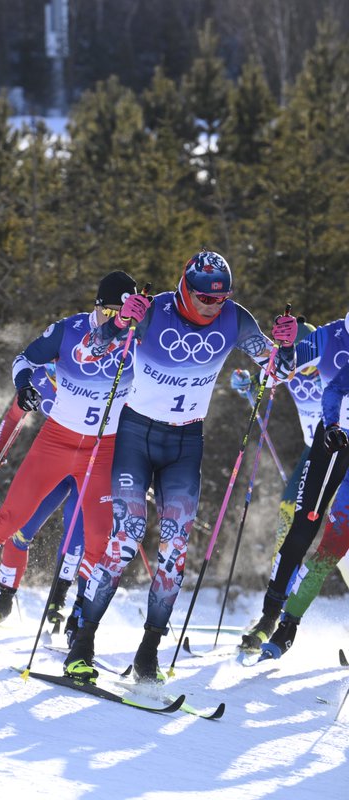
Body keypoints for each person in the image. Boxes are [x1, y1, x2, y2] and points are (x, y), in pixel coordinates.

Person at [64, 250, 297, 685]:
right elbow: (89, 353)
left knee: (174, 550)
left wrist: (286, 345)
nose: (213, 306)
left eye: (221, 298)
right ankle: (82, 641)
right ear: (185, 287)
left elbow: (276, 374)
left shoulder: (236, 319)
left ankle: (149, 650)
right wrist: (117, 324)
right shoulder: (153, 312)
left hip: (186, 442)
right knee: (127, 537)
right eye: (205, 298)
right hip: (136, 435)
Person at [0, 271, 139, 631]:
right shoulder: (66, 335)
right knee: (12, 522)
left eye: (123, 313)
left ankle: (76, 619)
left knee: (95, 541)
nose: (115, 320)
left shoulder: (138, 342)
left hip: (102, 454)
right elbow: (21, 372)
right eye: (108, 311)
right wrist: (13, 413)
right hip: (57, 445)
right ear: (96, 306)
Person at [239, 313, 349, 650]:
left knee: (339, 540)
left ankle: (289, 614)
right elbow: (277, 371)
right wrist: (283, 352)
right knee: (300, 521)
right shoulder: (328, 337)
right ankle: (272, 616)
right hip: (330, 442)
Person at [0, 362, 87, 635]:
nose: (58, 376)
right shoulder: (41, 378)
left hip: (90, 465)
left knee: (74, 533)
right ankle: (4, 602)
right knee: (19, 531)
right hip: (56, 463)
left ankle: (60, 603)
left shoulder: (96, 379)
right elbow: (13, 417)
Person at [226, 321, 323, 648]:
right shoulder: (287, 367)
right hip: (314, 454)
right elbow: (260, 381)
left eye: (308, 360)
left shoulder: (334, 366)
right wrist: (246, 385)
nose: (302, 369)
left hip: (342, 455)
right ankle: (271, 617)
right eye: (298, 360)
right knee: (287, 523)